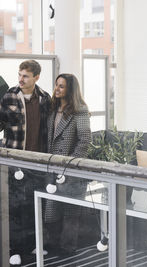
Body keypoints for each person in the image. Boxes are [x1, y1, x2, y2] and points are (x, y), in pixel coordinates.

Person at [0, 59, 51, 265]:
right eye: (19, 75)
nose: (20, 79)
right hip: (15, 162)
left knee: (36, 205)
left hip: (38, 162)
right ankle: (14, 248)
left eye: (25, 76)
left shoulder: (45, 98)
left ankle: (33, 243)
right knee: (15, 208)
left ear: (36, 77)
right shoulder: (9, 95)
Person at [44, 73, 92, 253]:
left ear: (70, 90)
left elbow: (85, 139)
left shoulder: (79, 110)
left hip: (70, 168)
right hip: (52, 165)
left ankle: (67, 249)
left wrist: (71, 163)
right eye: (56, 85)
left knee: (71, 210)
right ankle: (52, 245)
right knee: (51, 207)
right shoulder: (52, 108)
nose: (56, 89)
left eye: (61, 86)